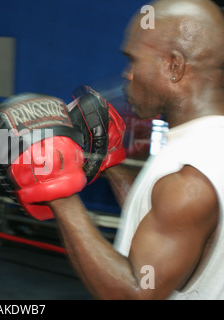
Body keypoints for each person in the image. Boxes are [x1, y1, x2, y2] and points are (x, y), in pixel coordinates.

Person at [46, 0, 224, 299]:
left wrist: (58, 193)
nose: (127, 74)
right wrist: (109, 161)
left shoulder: (191, 178)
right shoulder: (204, 145)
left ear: (174, 66)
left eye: (133, 60)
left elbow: (136, 293)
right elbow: (160, 211)